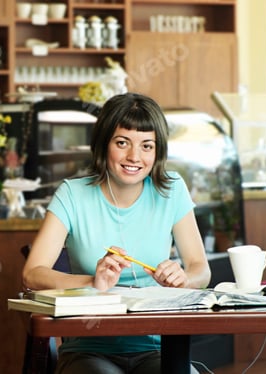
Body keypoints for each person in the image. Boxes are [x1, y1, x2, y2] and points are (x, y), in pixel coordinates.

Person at [22, 92, 211, 373]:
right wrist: (93, 282)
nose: (134, 157)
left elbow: (201, 271)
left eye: (147, 146)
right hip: (87, 351)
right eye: (122, 143)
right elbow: (32, 273)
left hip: (158, 349)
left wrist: (182, 278)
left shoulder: (171, 190)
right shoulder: (72, 195)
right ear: (103, 145)